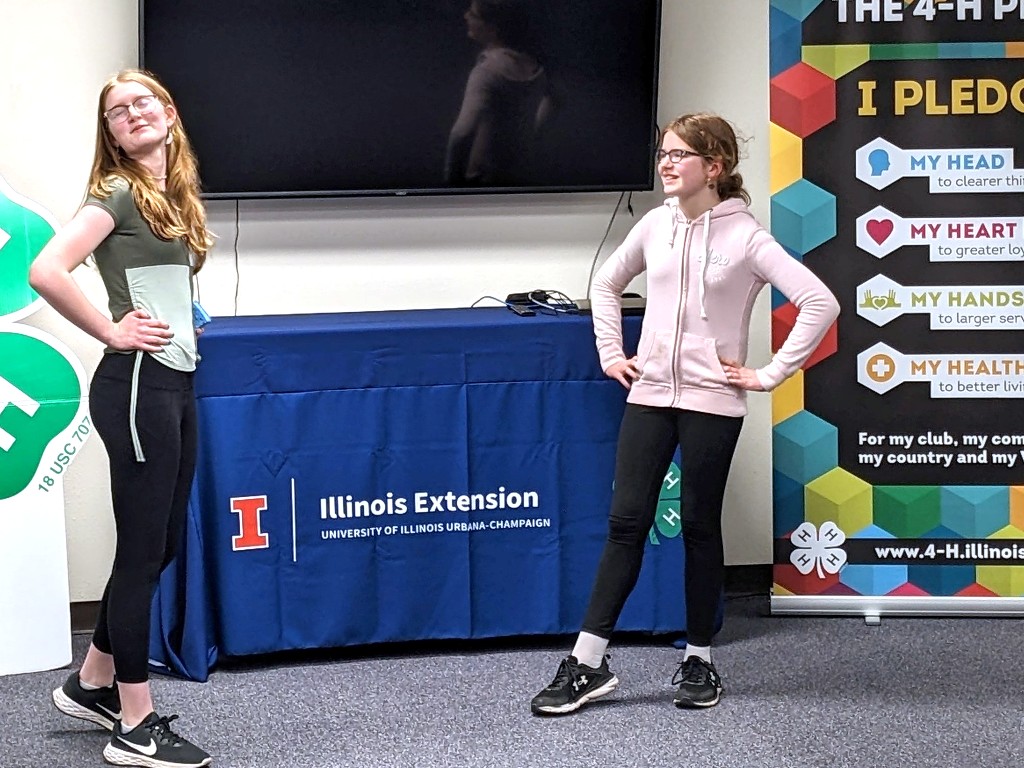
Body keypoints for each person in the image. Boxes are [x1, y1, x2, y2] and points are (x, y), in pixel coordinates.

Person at [530, 113, 840, 715]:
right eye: (663, 154)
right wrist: (612, 353)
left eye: (678, 155)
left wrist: (769, 374)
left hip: (712, 401)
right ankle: (587, 663)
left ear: (713, 166)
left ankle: (700, 658)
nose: (665, 164)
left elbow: (819, 301)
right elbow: (606, 284)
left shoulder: (746, 237)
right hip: (650, 395)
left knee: (699, 526)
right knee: (625, 524)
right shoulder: (655, 224)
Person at [29, 69, 214, 767]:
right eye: (117, 112)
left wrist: (185, 318)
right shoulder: (117, 191)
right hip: (137, 387)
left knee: (160, 545)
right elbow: (47, 269)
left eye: (143, 102)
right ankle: (135, 725)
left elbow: (158, 281)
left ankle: (91, 682)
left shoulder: (171, 193)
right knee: (140, 555)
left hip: (174, 382)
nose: (133, 114)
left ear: (168, 112)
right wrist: (111, 331)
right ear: (109, 133)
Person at [444, 0, 552, 187]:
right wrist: (532, 135)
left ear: (493, 28)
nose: (466, 16)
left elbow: (462, 133)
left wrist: (451, 182)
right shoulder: (534, 66)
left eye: (474, 14)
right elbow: (558, 99)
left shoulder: (486, 72)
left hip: (483, 180)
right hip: (520, 173)